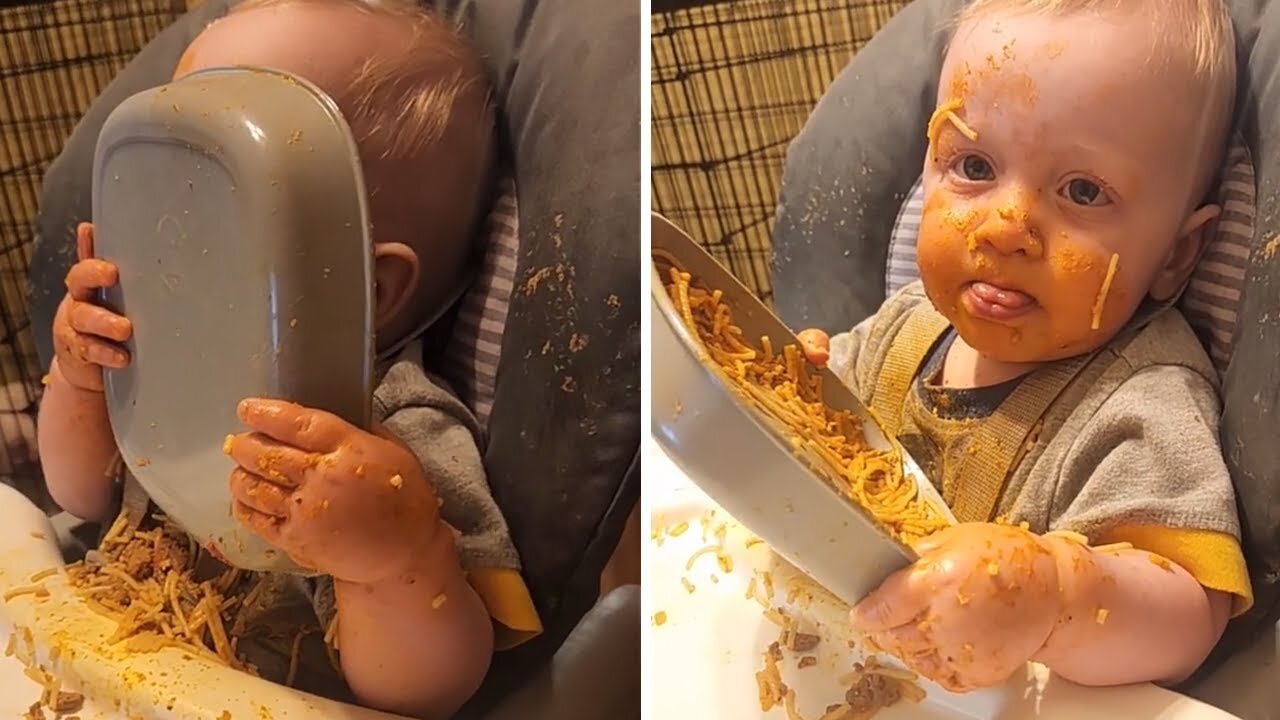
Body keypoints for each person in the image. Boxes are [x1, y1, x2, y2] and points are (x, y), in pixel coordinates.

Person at [35, 0, 540, 717]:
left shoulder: (388, 438)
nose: (154, 247)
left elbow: (433, 690)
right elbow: (80, 497)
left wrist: (397, 562)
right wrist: (80, 381)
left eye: (204, 208)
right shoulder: (148, 352)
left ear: (364, 287)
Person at [797, 0, 1252, 693]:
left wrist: (1053, 598)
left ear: (1177, 254)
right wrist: (793, 390)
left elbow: (1191, 616)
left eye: (1082, 191)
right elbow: (827, 423)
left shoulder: (1141, 403)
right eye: (974, 166)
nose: (1007, 227)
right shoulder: (905, 325)